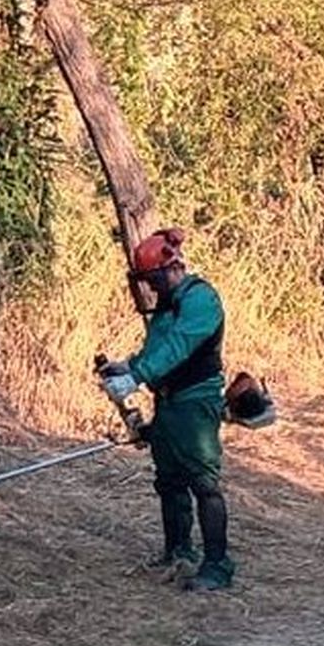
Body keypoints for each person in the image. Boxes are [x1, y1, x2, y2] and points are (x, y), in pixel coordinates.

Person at [101, 228, 236, 592]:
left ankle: (217, 565)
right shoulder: (166, 305)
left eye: (153, 279)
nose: (151, 287)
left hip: (196, 403)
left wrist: (138, 376)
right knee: (170, 481)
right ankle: (179, 551)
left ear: (170, 269)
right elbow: (156, 347)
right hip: (169, 402)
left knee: (204, 483)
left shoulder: (200, 300)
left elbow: (179, 345)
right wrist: (127, 366)